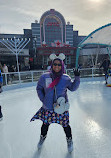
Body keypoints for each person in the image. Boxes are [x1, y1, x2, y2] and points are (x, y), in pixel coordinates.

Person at [30, 53, 80, 153]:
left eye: (59, 64)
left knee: (66, 126)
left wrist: (77, 78)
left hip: (61, 107)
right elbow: (39, 88)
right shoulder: (44, 77)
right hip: (48, 107)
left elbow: (73, 88)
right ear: (52, 65)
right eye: (55, 64)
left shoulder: (65, 78)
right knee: (45, 125)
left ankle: (69, 141)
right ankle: (42, 138)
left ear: (62, 66)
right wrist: (43, 99)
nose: (57, 66)